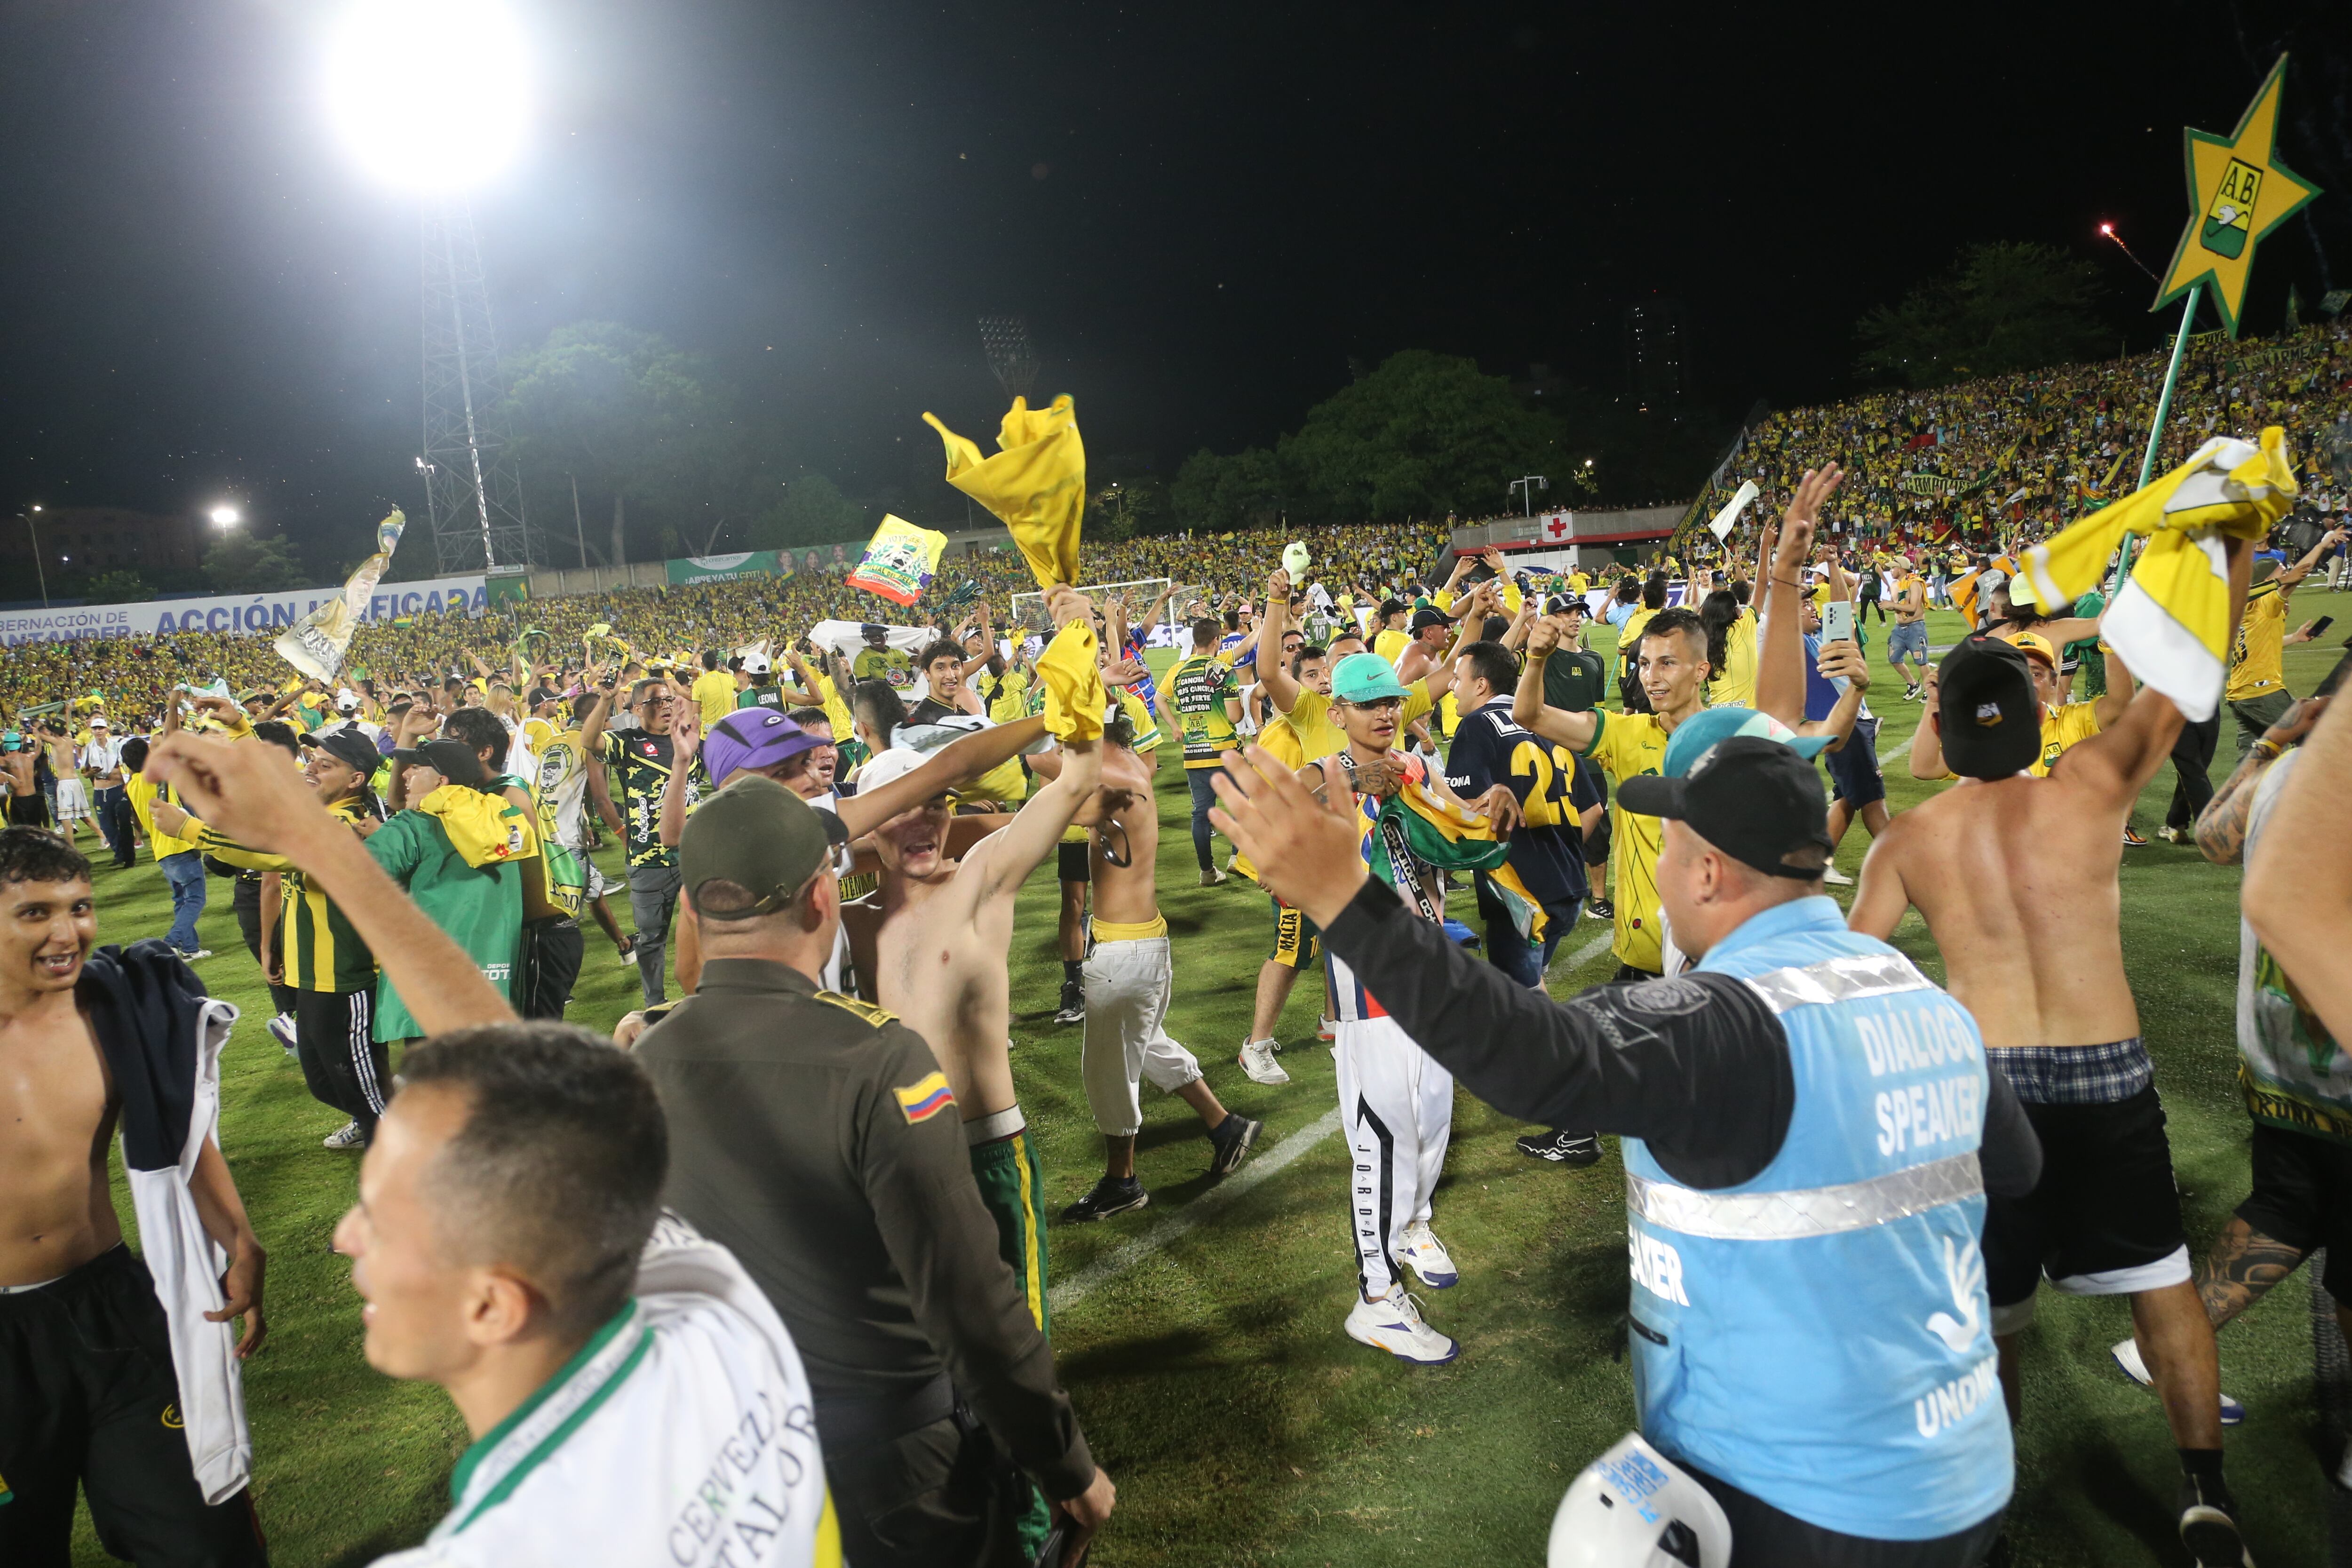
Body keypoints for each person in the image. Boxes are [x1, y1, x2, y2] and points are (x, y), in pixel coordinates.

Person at [1209, 733, 2035, 1565]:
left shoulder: (1720, 1021)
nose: (1659, 870)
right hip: (1963, 1473)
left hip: (1807, 1499)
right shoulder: (1918, 995)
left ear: (1709, 872)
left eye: (1670, 849)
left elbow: (1536, 1055)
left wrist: (1343, 895)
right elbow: (2015, 1173)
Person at [143, 726, 842, 1568]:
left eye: (384, 1217)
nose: (344, 1236)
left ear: (492, 1304)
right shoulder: (713, 1310)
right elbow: (515, 1074)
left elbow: (529, 1092)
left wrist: (306, 842)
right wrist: (309, 841)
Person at [1849, 620, 2254, 1564]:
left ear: (1942, 728)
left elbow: (1853, 977)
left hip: (1982, 1089)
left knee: (1993, 1318)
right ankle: (2205, 1495)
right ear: (2036, 715)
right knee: (2159, 1282)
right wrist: (2222, 550)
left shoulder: (1906, 838)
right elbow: (2178, 683)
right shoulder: (2091, 788)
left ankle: (1986, 1520)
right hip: (2105, 1066)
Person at [636, 776, 1115, 1568]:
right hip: (900, 1468)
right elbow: (969, 1302)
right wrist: (1066, 1462)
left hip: (737, 1470)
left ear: (688, 909)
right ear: (823, 901)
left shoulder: (639, 1058)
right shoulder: (877, 1058)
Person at [0, 826, 270, 1567]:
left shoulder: (116, 1011)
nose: (69, 932)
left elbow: (181, 1139)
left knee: (201, 1542)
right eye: (36, 913)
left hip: (113, 1308)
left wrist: (240, 1239)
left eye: (80, 907)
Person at [1299, 652, 1501, 1364]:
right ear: (1339, 714)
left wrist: (1487, 812)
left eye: (1391, 701)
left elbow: (1461, 838)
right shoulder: (1322, 777)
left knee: (1432, 1111)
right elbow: (1287, 837)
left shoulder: (1419, 764)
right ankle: (1377, 1299)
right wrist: (1356, 783)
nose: (1385, 713)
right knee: (1381, 1134)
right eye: (1368, 705)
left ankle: (1413, 1225)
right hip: (1368, 973)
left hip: (1430, 963)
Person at [1063, 713, 1262, 1221]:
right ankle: (1224, 1126)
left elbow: (1044, 788)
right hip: (1136, 946)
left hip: (1125, 954)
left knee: (1108, 1072)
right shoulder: (1124, 762)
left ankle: (1122, 1181)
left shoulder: (1117, 779)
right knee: (1148, 1045)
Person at [1442, 638, 1604, 1165]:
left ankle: (1577, 1124)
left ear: (1481, 684)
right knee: (1519, 996)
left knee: (1528, 1012)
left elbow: (1468, 811)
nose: (1450, 688)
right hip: (1566, 883)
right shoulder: (1544, 719)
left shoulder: (1476, 728)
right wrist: (1553, 852)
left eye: (1458, 679)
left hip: (1519, 892)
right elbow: (1593, 810)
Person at [585, 677, 708, 1006]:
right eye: (658, 701)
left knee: (706, 931)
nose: (666, 705)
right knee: (652, 938)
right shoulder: (628, 742)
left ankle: (706, 998)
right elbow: (590, 740)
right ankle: (655, 1004)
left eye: (670, 699)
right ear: (638, 709)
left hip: (694, 856)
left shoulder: (693, 741)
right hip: (648, 860)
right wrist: (605, 700)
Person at [2225, 527, 2344, 757]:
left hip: (2240, 696)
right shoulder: (2269, 602)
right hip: (2262, 692)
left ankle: (2239, 793)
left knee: (2254, 760)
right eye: (2281, 570)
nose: (2286, 571)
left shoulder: (2248, 608)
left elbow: (2258, 643)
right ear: (2269, 579)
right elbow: (2302, 572)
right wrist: (2321, 545)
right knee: (2312, 738)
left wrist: (2295, 638)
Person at [1157, 615, 1245, 887]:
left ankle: (1207, 872)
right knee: (1240, 804)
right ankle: (1236, 858)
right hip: (1226, 750)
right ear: (1217, 640)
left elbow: (1159, 699)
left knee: (1201, 813)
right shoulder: (1222, 669)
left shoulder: (1178, 670)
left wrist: (1174, 726)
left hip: (1195, 752)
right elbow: (1234, 716)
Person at [81, 715, 134, 868]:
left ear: (106, 730)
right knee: (107, 826)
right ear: (91, 731)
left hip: (118, 790)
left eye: (101, 728)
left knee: (125, 823)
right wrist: (92, 773)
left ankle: (129, 857)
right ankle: (120, 854)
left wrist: (127, 784)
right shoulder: (89, 749)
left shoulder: (116, 746)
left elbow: (126, 766)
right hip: (101, 792)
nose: (98, 731)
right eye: (95, 729)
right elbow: (85, 773)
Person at [1888, 560, 1930, 700]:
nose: (1891, 571)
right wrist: (1889, 606)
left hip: (1915, 627)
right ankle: (1913, 684)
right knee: (1894, 659)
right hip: (1899, 627)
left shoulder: (1915, 583)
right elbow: (1896, 605)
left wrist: (1892, 605)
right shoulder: (1895, 585)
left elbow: (1913, 607)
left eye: (1893, 568)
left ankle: (1930, 691)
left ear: (1901, 569)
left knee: (1921, 661)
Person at [690, 648, 739, 730]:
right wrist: (727, 673)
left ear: (702, 665)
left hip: (708, 732)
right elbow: (740, 689)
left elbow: (695, 712)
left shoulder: (698, 684)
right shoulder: (729, 679)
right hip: (728, 730)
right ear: (717, 663)